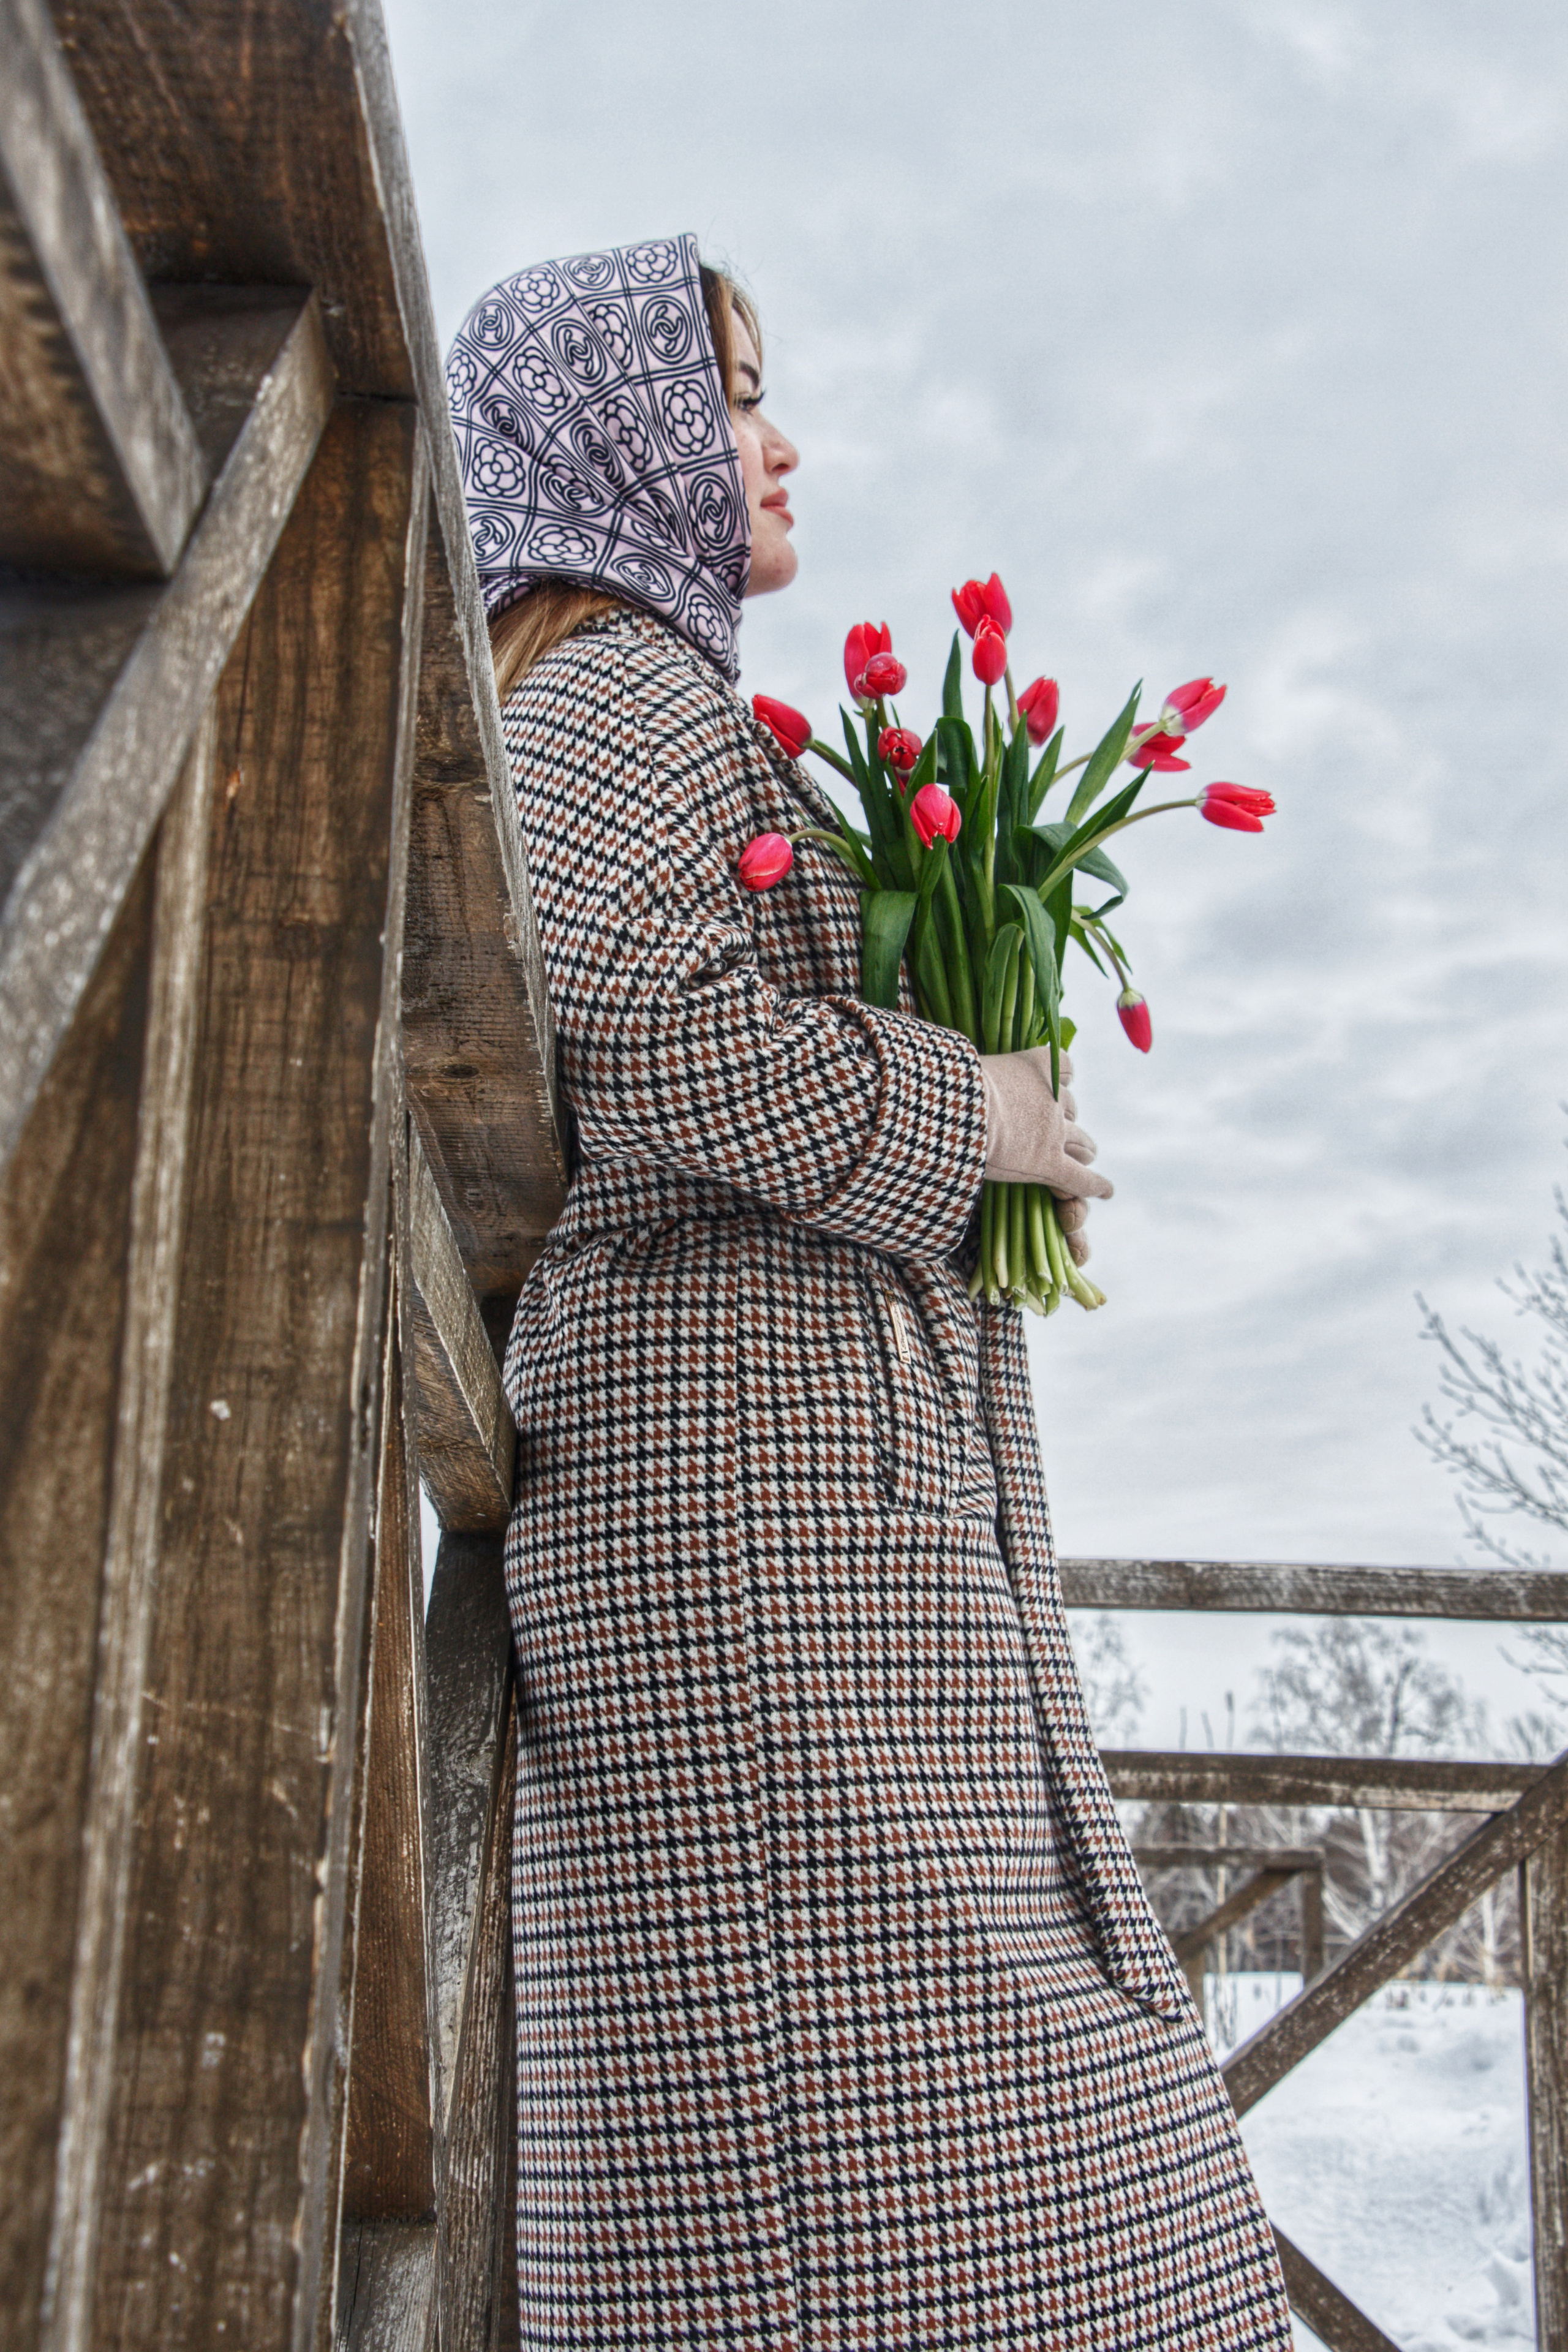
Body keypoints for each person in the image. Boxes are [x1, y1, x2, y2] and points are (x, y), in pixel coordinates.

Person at [447, 234, 1292, 2349]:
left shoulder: (633, 693)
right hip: (759, 1550)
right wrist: (970, 1119)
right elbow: (640, 1021)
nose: (777, 437)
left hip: (799, 1530)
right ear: (618, 432)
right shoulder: (613, 684)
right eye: (731, 394)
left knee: (953, 2143)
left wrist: (996, 1160)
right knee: (892, 2173)